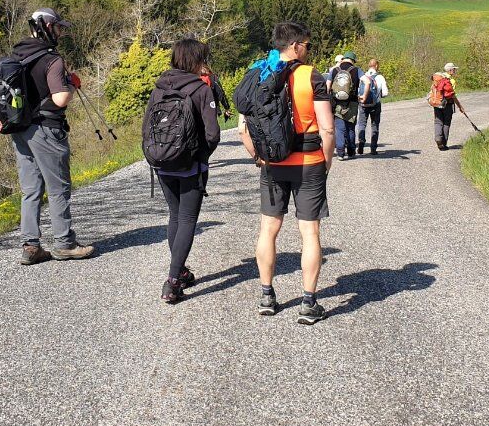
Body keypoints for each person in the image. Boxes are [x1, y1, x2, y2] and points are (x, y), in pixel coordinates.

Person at [238, 22, 334, 325]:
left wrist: (259, 157)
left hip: (272, 163)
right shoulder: (311, 76)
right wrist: (326, 161)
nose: (308, 50)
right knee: (309, 232)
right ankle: (308, 303)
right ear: (295, 45)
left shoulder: (259, 73)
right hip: (308, 161)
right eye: (306, 44)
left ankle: (267, 296)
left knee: (268, 229)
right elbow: (328, 128)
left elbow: (244, 128)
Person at [10, 8, 97, 264]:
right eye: (58, 28)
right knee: (58, 187)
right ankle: (64, 243)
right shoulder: (52, 59)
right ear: (47, 27)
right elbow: (60, 99)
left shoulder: (17, 55)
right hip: (47, 129)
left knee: (31, 189)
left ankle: (31, 246)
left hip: (20, 130)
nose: (60, 33)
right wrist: (71, 84)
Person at [144, 38, 222, 304]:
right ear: (195, 60)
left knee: (175, 216)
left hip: (162, 162)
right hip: (190, 165)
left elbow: (146, 129)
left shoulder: (159, 88)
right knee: (188, 219)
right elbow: (212, 135)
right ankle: (173, 281)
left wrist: (158, 156)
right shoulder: (201, 90)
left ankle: (181, 270)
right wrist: (200, 157)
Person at [326, 51, 361, 160]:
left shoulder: (334, 70)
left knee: (339, 128)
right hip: (352, 103)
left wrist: (328, 99)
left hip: (337, 103)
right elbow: (367, 81)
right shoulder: (357, 70)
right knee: (350, 128)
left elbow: (327, 86)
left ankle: (340, 153)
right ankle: (351, 151)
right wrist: (363, 95)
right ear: (353, 60)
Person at [429, 61, 471, 151]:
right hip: (447, 104)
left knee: (438, 122)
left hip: (437, 103)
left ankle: (438, 138)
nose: (455, 71)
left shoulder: (438, 77)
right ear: (450, 70)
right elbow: (452, 95)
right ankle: (443, 144)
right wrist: (460, 106)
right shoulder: (450, 81)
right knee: (446, 123)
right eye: (454, 69)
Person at [356, 58, 389, 155]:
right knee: (375, 125)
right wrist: (379, 95)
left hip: (363, 103)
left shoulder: (363, 76)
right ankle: (373, 149)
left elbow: (358, 91)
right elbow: (385, 93)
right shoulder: (380, 77)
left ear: (369, 65)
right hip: (375, 105)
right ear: (377, 66)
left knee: (362, 124)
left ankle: (361, 145)